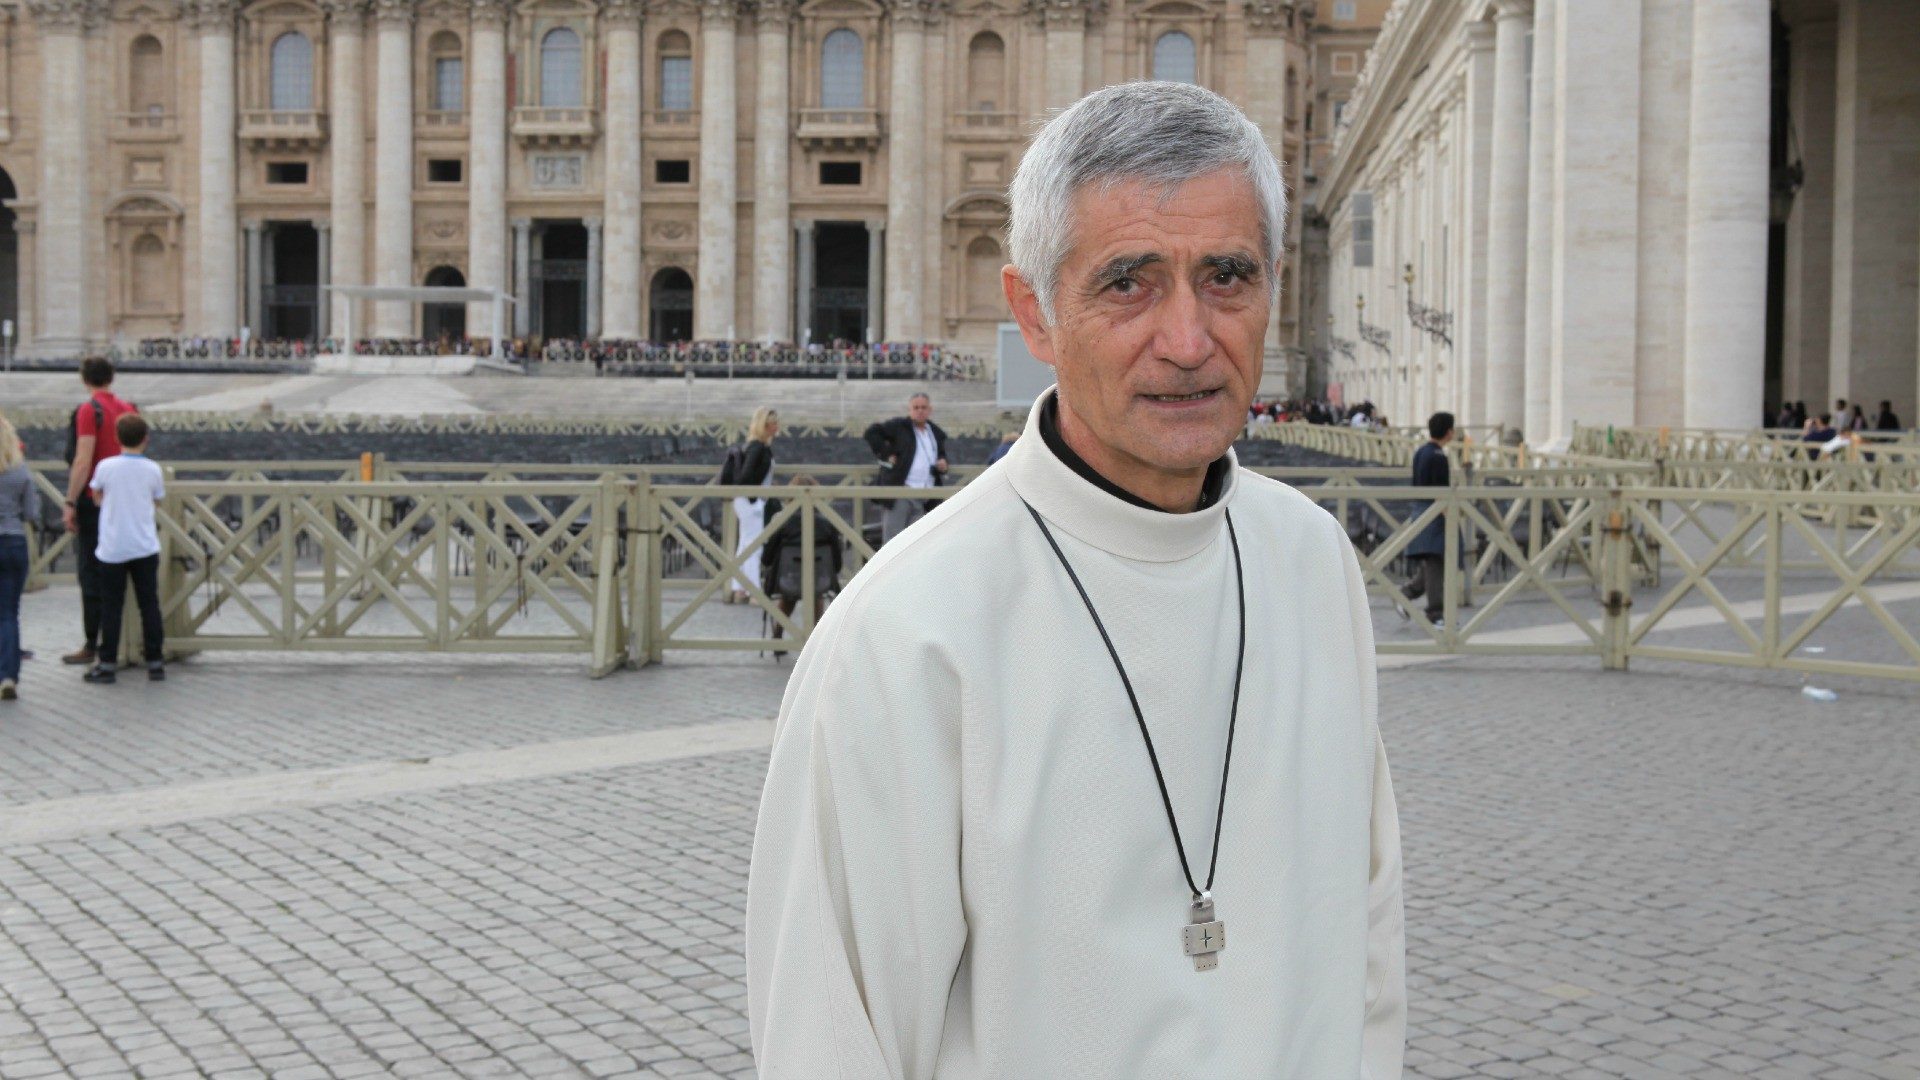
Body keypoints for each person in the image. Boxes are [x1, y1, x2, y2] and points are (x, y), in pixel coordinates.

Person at [748, 82, 1403, 1078]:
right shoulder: (907, 635)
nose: (1188, 341)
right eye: (1128, 282)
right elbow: (834, 1042)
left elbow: (1369, 950)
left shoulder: (1314, 564)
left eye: (1227, 276)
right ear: (1034, 314)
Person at [60, 357, 141, 668]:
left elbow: (83, 459)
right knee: (125, 573)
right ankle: (128, 642)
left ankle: (94, 643)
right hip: (127, 501)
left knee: (91, 572)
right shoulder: (128, 408)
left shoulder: (88, 410)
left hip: (94, 501)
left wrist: (69, 501)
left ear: (85, 380)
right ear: (112, 377)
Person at [84, 413, 167, 685]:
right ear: (146, 439)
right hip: (144, 544)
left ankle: (107, 663)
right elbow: (157, 501)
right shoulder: (153, 469)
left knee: (111, 606)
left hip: (112, 546)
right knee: (149, 604)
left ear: (116, 438)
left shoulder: (105, 467)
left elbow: (96, 497)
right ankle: (155, 661)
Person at [759, 475, 843, 643]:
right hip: (821, 579)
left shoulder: (781, 520)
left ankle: (778, 634)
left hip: (786, 578)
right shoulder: (827, 523)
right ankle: (817, 639)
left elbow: (766, 558)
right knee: (816, 591)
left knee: (790, 592)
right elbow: (837, 561)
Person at [863, 392, 950, 543]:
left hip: (925, 495)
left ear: (930, 409)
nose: (920, 411)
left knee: (917, 542)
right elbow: (872, 433)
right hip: (902, 492)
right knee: (893, 541)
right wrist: (886, 453)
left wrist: (943, 462)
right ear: (910, 410)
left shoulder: (935, 432)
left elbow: (941, 454)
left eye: (923, 407)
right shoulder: (899, 426)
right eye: (916, 407)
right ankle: (889, 567)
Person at [1401, 411, 1454, 628]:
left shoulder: (1421, 452)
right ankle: (1435, 613)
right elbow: (1440, 491)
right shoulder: (1439, 457)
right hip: (1434, 513)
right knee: (1435, 562)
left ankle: (1406, 594)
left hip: (1419, 511)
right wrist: (1448, 516)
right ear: (1449, 431)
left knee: (1433, 563)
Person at [0, 411, 38, 702]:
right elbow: (32, 514)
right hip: (13, 543)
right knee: (8, 613)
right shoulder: (21, 472)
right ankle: (8, 675)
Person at [729, 406, 779, 603]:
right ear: (765, 426)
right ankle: (753, 591)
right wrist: (759, 490)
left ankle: (739, 588)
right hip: (751, 501)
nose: (777, 427)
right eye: (774, 423)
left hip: (747, 500)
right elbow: (747, 476)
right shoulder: (758, 448)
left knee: (745, 545)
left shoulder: (754, 446)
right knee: (753, 546)